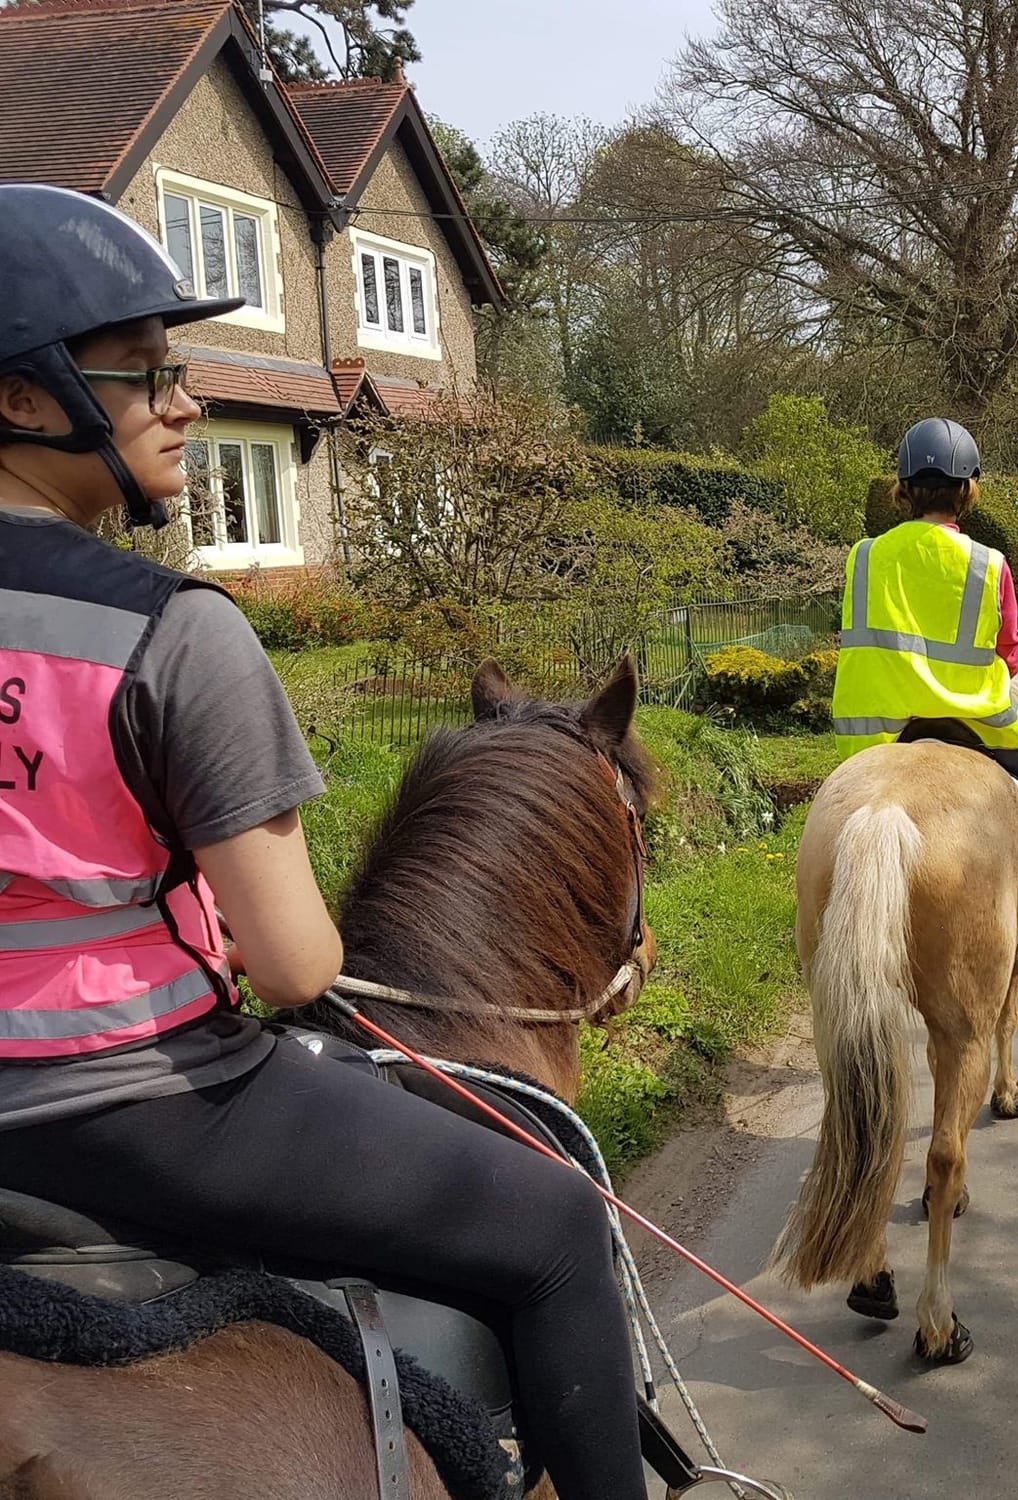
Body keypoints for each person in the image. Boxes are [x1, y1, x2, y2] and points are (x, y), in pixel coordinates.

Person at [0, 185, 646, 1499]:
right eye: (145, 370)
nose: (184, 403)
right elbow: (296, 969)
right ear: (20, 400)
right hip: (128, 1103)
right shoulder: (174, 632)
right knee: (559, 1231)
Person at [832, 416, 1018, 966]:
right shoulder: (990, 564)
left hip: (876, 732)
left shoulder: (863, 556)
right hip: (976, 720)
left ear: (903, 489)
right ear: (968, 490)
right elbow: (1010, 652)